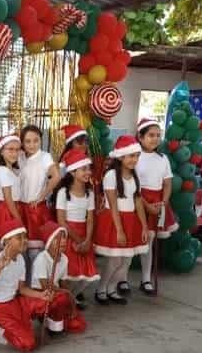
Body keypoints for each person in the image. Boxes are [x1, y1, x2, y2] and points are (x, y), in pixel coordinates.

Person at [94, 135, 149, 305]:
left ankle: (112, 288)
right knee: (115, 259)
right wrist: (119, 230)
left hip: (131, 221)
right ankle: (101, 289)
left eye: (137, 156)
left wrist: (144, 227)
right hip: (114, 220)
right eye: (131, 156)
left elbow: (138, 202)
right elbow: (112, 204)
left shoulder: (134, 176)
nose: (135, 159)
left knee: (126, 260)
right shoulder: (111, 175)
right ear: (121, 156)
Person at [0, 218, 43, 350]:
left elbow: (21, 289)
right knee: (28, 343)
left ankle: (6, 326)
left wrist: (42, 294)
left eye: (24, 236)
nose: (24, 240)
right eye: (19, 237)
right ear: (7, 241)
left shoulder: (21, 258)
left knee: (44, 303)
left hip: (12, 302)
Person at [135, 117, 177, 296]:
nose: (155, 139)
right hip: (137, 200)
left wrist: (164, 203)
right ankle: (120, 280)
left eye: (158, 135)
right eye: (151, 135)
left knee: (149, 241)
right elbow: (132, 183)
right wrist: (145, 203)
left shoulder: (163, 158)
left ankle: (145, 279)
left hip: (157, 201)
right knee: (132, 241)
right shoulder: (134, 155)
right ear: (140, 136)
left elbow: (167, 183)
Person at [54, 149, 100, 309]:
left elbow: (90, 219)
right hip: (68, 236)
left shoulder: (89, 192)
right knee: (67, 274)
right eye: (84, 169)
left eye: (89, 168)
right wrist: (79, 240)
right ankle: (65, 301)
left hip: (84, 235)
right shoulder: (62, 192)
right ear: (73, 172)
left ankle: (71, 298)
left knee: (85, 275)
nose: (88, 172)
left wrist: (87, 240)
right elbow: (61, 221)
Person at [30, 221, 87, 335]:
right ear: (50, 241)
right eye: (58, 239)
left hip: (56, 291)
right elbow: (45, 286)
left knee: (76, 322)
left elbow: (64, 282)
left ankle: (56, 323)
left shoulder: (64, 258)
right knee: (62, 298)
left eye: (64, 238)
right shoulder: (42, 259)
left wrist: (69, 296)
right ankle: (50, 324)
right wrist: (64, 293)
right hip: (40, 293)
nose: (63, 241)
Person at [19, 124, 59, 259]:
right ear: (22, 143)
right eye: (28, 141)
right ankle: (23, 280)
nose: (32, 145)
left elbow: (56, 176)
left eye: (36, 140)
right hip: (19, 208)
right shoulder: (19, 157)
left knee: (35, 252)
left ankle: (35, 280)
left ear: (41, 140)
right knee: (20, 251)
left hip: (35, 209)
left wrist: (42, 196)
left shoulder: (44, 156)